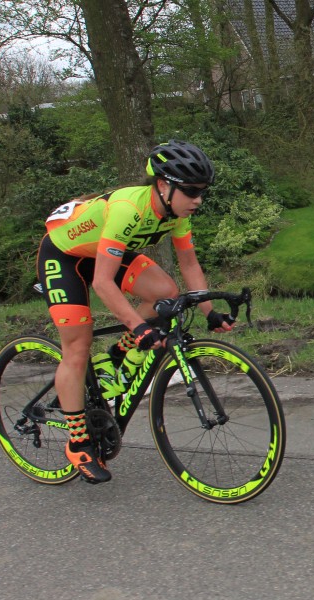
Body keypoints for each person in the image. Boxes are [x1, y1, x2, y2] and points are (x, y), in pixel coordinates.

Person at [36, 140, 235, 484]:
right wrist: (139, 326)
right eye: (190, 191)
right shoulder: (130, 208)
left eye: (202, 192)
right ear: (163, 185)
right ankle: (78, 443)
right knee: (77, 347)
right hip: (64, 256)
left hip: (101, 251)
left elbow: (189, 264)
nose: (198, 200)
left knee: (165, 292)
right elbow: (102, 283)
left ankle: (115, 356)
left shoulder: (176, 213)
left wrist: (210, 312)